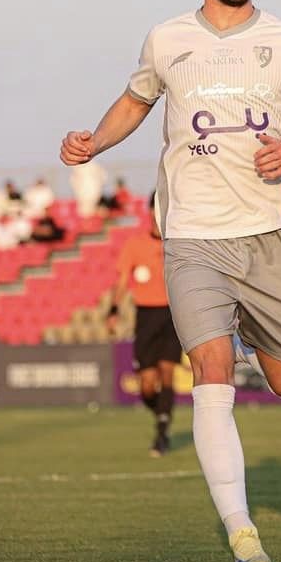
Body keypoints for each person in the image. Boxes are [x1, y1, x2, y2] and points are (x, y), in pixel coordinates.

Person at [59, 0, 281, 562]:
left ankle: (250, 331)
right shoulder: (167, 40)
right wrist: (95, 141)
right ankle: (242, 528)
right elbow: (135, 101)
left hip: (267, 235)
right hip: (191, 235)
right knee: (211, 371)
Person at [112, 196, 181, 457]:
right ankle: (161, 413)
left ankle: (162, 431)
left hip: (172, 314)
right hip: (146, 318)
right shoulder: (135, 245)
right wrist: (113, 309)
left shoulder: (177, 243)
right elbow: (121, 281)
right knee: (148, 385)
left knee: (167, 373)